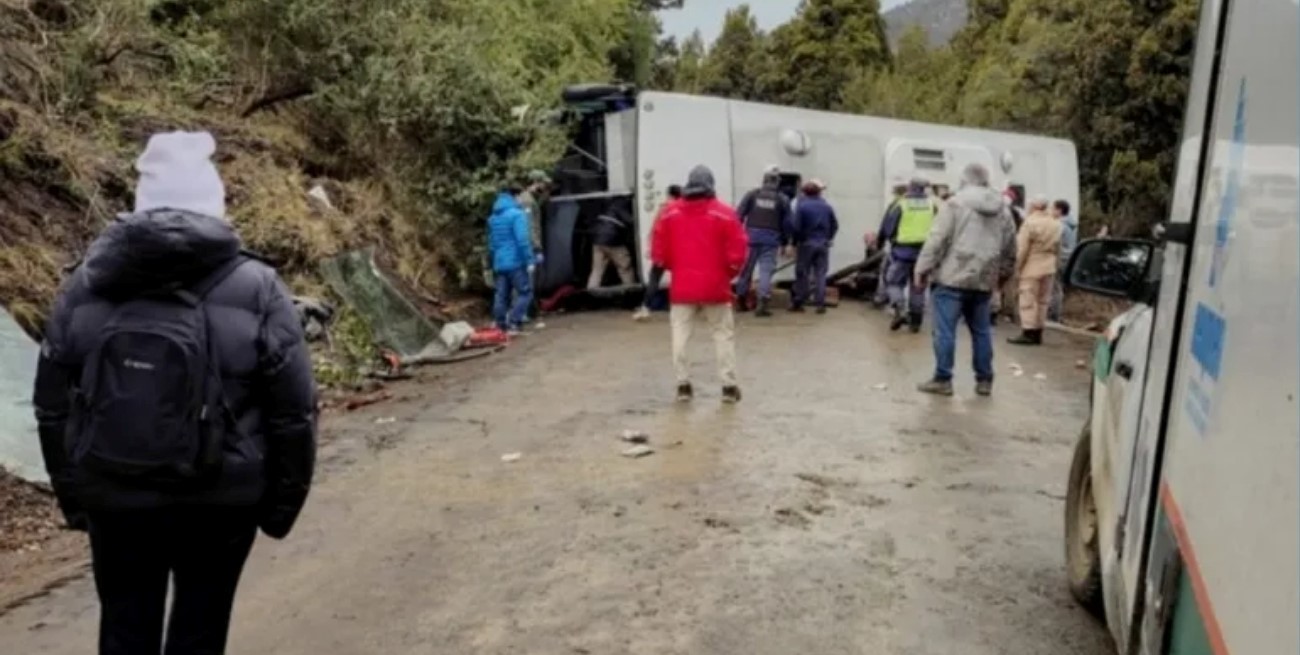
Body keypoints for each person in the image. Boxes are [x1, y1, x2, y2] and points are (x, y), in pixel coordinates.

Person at [32, 131, 317, 655]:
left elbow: (51, 404)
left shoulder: (87, 283)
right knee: (200, 629)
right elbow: (293, 411)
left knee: (124, 628)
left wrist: (77, 499)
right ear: (213, 203)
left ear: (142, 204)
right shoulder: (258, 286)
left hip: (116, 495)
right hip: (221, 499)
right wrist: (279, 506)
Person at [913, 162, 1017, 397]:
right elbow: (1011, 246)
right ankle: (984, 380)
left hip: (952, 277)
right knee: (981, 331)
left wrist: (922, 269)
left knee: (945, 331)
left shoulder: (955, 203)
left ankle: (943, 379)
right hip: (984, 279)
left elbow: (937, 239)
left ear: (965, 180)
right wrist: (1003, 275)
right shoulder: (1003, 209)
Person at [651, 165, 748, 403]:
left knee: (680, 334)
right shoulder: (725, 213)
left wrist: (679, 268)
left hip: (682, 287)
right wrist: (727, 274)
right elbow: (738, 251)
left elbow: (659, 253)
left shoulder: (669, 214)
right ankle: (728, 387)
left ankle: (683, 385)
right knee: (722, 335)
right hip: (716, 286)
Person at [876, 177, 937, 332]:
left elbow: (887, 227)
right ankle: (916, 322)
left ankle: (900, 309)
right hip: (924, 253)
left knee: (892, 282)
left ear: (910, 187)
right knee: (918, 287)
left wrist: (880, 244)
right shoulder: (932, 205)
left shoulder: (900, 203)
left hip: (902, 252)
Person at [734, 169, 793, 317]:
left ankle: (740, 301)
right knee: (766, 271)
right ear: (777, 183)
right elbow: (787, 223)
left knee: (746, 270)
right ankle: (762, 304)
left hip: (750, 238)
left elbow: (739, 215)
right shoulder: (782, 199)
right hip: (771, 239)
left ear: (764, 181)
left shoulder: (752, 195)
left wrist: (738, 235)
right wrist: (787, 242)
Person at [1008, 196, 1062, 345]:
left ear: (1033, 207)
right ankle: (1039, 331)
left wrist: (1017, 267)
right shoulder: (1056, 224)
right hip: (1049, 266)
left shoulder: (1029, 223)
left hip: (1032, 265)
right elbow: (1058, 248)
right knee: (1043, 300)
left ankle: (1028, 331)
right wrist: (1056, 265)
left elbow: (1022, 249)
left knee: (1028, 299)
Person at [488, 186, 535, 334]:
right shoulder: (517, 215)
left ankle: (500, 325)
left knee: (501, 295)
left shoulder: (493, 218)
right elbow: (522, 240)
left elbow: (491, 243)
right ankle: (514, 322)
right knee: (525, 292)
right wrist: (529, 260)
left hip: (500, 263)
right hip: (516, 262)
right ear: (514, 197)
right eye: (520, 196)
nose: (521, 200)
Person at [633, 184, 683, 321]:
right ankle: (682, 307)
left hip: (663, 250)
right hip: (679, 249)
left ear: (669, 194)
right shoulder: (684, 208)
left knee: (654, 278)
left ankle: (645, 307)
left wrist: (652, 248)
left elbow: (656, 230)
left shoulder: (664, 209)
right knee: (680, 278)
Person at [789, 179, 838, 314]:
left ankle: (799, 301)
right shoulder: (827, 207)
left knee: (802, 273)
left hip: (806, 244)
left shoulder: (802, 207)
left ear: (805, 192)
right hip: (823, 244)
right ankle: (820, 304)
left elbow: (797, 227)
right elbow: (835, 225)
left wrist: (794, 243)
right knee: (820, 274)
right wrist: (828, 238)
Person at [870, 179, 909, 309]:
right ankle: (915, 313)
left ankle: (884, 299)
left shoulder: (896, 205)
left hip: (898, 247)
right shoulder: (922, 205)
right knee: (914, 282)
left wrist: (879, 243)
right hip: (919, 249)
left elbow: (886, 226)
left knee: (888, 274)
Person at [516, 170, 550, 320]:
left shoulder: (527, 199)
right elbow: (530, 227)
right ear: (536, 183)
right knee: (526, 280)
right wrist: (537, 248)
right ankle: (522, 313)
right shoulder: (527, 202)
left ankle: (524, 311)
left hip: (525, 245)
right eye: (543, 183)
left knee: (526, 279)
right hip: (528, 246)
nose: (544, 186)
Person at [588, 201, 636, 289]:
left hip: (597, 239)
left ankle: (591, 291)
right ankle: (631, 289)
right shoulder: (623, 205)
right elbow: (632, 220)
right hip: (612, 238)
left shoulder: (608, 205)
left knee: (597, 269)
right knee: (625, 266)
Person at [1049, 199, 1077, 322]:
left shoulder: (1059, 225)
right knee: (1058, 287)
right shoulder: (1070, 225)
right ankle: (1055, 312)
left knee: (1055, 287)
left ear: (1059, 210)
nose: (1051, 211)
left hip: (1059, 258)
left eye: (1053, 209)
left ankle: (1053, 314)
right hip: (1067, 258)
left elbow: (1053, 243)